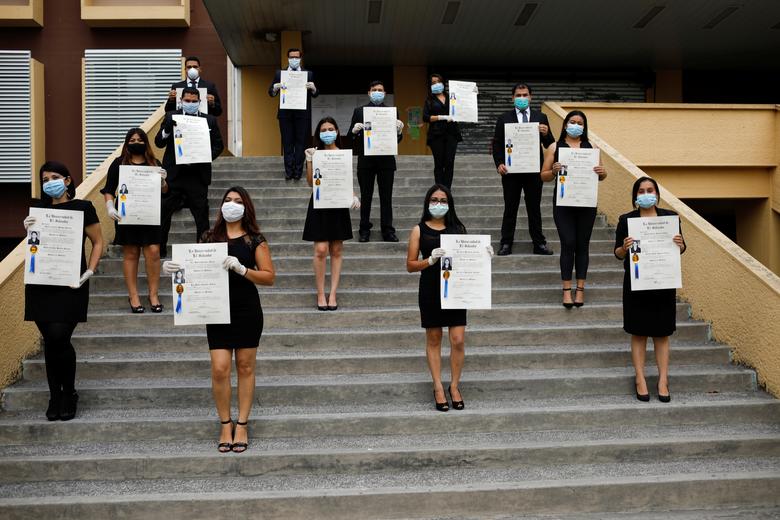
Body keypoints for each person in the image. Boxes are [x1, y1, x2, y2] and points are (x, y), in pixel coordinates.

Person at [163, 186, 275, 453]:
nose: (232, 204)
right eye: (228, 200)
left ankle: (243, 424)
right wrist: (174, 268)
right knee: (220, 368)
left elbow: (269, 276)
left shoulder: (255, 240)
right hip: (214, 310)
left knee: (246, 367)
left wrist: (242, 268)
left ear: (246, 207)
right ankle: (225, 422)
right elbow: (194, 269)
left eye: (237, 201)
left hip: (246, 310)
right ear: (221, 205)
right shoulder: (209, 237)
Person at [23, 161, 104, 421]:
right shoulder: (39, 209)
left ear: (68, 181)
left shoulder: (83, 208)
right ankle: (54, 396)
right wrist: (29, 229)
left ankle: (69, 392)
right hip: (41, 284)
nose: (50, 182)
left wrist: (89, 271)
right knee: (51, 340)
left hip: (71, 282)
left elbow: (98, 242)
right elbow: (35, 246)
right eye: (45, 178)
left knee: (60, 335)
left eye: (55, 177)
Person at [406, 184, 494, 412]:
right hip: (431, 289)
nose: (438, 204)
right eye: (434, 199)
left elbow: (469, 258)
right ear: (427, 202)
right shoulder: (419, 230)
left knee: (457, 339)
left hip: (456, 290)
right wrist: (429, 261)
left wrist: (484, 255)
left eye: (443, 200)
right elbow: (410, 265)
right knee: (434, 338)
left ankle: (454, 386)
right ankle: (437, 387)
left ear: (450, 204)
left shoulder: (458, 229)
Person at [614, 177, 686, 403]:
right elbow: (616, 253)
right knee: (638, 332)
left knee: (662, 333)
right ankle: (640, 378)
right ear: (636, 196)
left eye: (650, 190)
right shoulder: (626, 220)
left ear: (657, 193)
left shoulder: (669, 219)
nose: (646, 194)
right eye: (642, 191)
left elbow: (681, 248)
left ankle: (663, 379)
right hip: (637, 283)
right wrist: (624, 249)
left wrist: (681, 244)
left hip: (662, 282)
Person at [541, 110, 607, 308]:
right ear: (565, 125)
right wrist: (553, 171)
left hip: (586, 203)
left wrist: (603, 172)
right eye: (572, 121)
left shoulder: (592, 146)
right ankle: (566, 291)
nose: (576, 125)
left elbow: (602, 175)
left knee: (582, 244)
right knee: (568, 243)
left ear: (584, 127)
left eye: (580, 122)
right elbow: (543, 175)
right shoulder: (555, 146)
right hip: (563, 204)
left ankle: (580, 290)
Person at [101, 128, 168, 313]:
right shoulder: (118, 164)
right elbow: (108, 190)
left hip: (150, 214)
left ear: (146, 143)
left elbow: (165, 191)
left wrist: (163, 181)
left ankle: (153, 294)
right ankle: (134, 296)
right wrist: (109, 207)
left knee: (154, 251)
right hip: (127, 215)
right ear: (126, 143)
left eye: (140, 139)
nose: (136, 142)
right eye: (132, 139)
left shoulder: (155, 163)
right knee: (131, 253)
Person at [156, 87, 224, 257]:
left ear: (199, 102)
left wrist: (204, 156)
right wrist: (167, 130)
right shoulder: (171, 116)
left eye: (194, 101)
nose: (191, 104)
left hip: (197, 177)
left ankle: (202, 252)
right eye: (187, 101)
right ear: (181, 101)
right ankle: (160, 250)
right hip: (174, 176)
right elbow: (158, 142)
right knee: (164, 215)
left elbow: (218, 145)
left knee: (201, 217)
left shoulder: (209, 120)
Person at [303, 117, 361, 311]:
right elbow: (311, 182)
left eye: (330, 128)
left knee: (336, 250)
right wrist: (310, 160)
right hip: (319, 204)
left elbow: (345, 180)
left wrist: (354, 196)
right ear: (318, 133)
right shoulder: (315, 153)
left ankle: (333, 293)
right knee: (320, 250)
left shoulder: (343, 154)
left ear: (337, 131)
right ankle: (320, 293)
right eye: (323, 129)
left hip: (338, 205)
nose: (327, 132)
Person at [492, 83, 555, 256]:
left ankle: (539, 243)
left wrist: (546, 133)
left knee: (534, 208)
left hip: (534, 171)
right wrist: (499, 163)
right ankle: (506, 243)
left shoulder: (540, 117)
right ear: (512, 98)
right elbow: (497, 144)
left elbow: (550, 145)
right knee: (510, 208)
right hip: (511, 171)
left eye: (524, 95)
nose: (521, 98)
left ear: (530, 97)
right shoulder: (504, 118)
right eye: (518, 95)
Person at [350, 80, 404, 242]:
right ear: (369, 92)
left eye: (380, 90)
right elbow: (351, 137)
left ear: (385, 93)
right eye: (374, 89)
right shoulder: (359, 111)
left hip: (386, 161)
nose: (377, 92)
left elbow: (397, 140)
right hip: (366, 161)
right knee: (366, 196)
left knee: (386, 197)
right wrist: (355, 131)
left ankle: (388, 230)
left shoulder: (392, 112)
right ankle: (364, 229)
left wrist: (399, 131)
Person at [268, 48, 319, 181]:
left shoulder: (308, 74)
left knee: (300, 142)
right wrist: (275, 88)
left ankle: (298, 171)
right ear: (288, 58)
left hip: (302, 114)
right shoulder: (280, 73)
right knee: (287, 142)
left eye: (297, 57)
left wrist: (313, 89)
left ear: (300, 58)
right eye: (291, 57)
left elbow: (315, 94)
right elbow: (270, 93)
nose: (294, 59)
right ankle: (288, 171)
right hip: (285, 114)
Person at [422, 73, 463, 188]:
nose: (436, 84)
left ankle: (447, 190)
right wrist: (442, 117)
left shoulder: (452, 97)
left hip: (452, 133)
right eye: (433, 83)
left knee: (449, 163)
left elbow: (463, 109)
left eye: (438, 82)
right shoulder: (429, 100)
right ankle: (439, 189)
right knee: (439, 164)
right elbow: (425, 117)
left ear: (443, 83)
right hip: (436, 135)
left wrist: (472, 94)